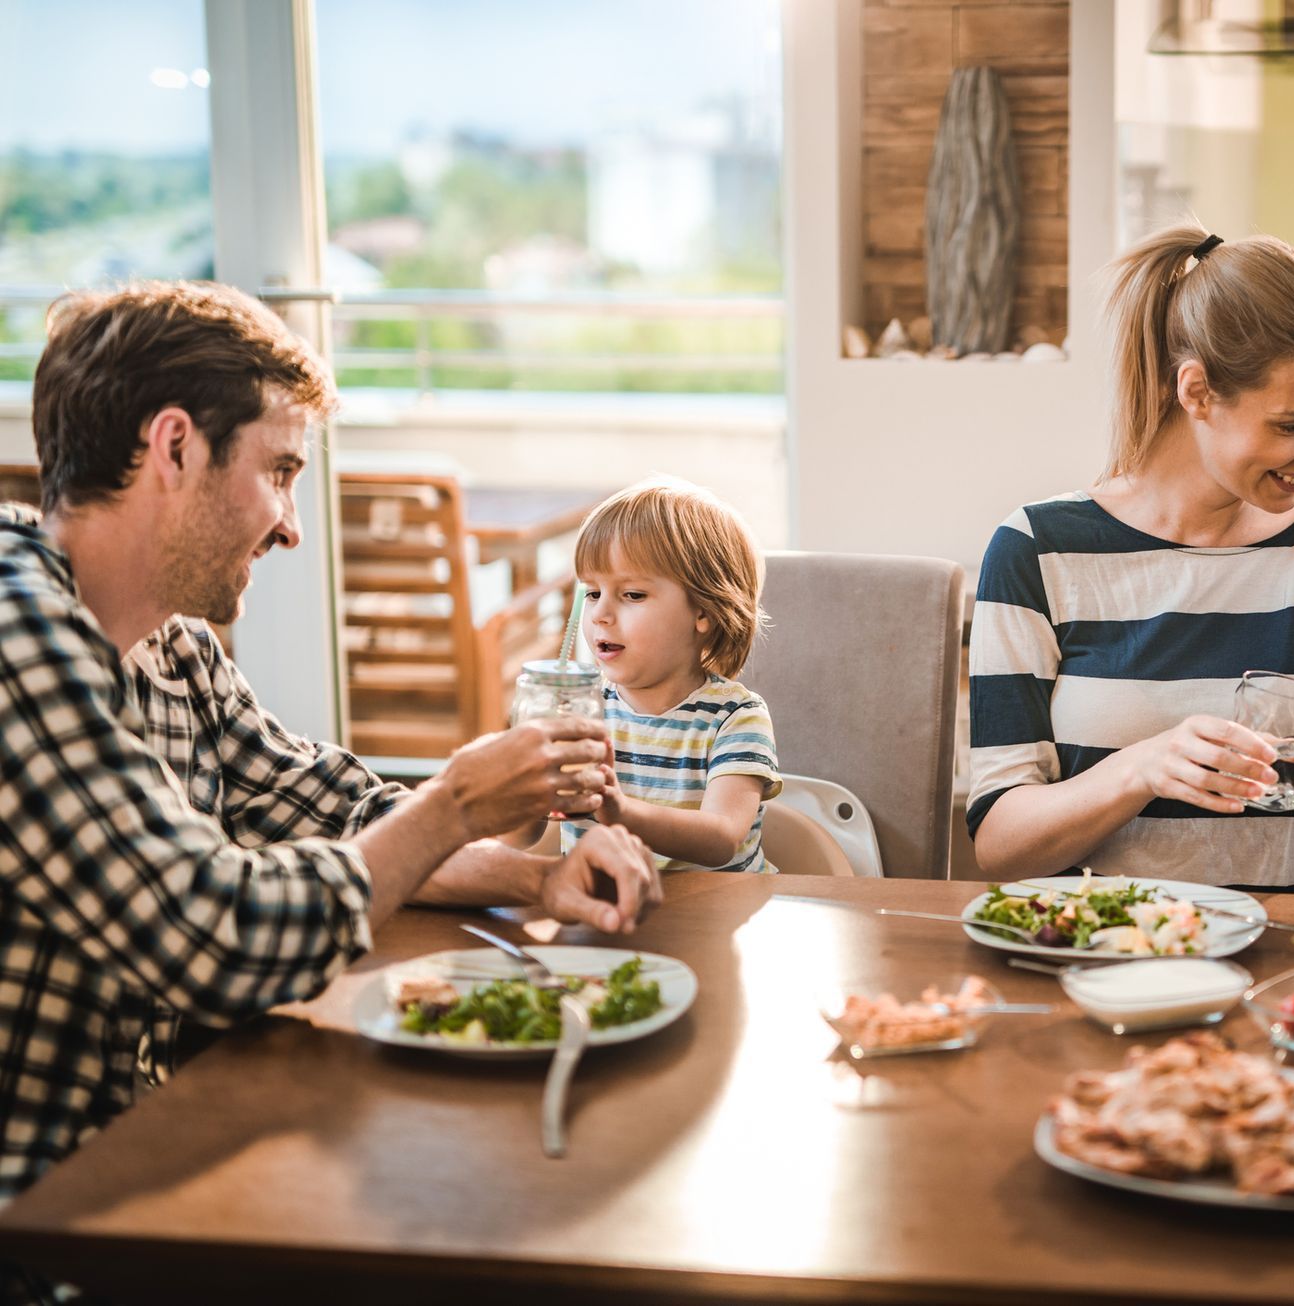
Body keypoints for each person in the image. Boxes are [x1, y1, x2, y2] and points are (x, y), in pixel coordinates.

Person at [0, 282, 661, 1226]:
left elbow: (340, 811)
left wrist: (529, 878)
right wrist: (457, 804)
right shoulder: (16, 634)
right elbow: (214, 935)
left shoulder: (171, 647)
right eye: (279, 471)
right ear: (174, 447)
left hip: (158, 1148)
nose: (291, 524)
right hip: (48, 1218)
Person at [966, 224, 1294, 894]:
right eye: (1293, 425)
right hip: (1096, 953)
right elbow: (1001, 845)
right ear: (1198, 391)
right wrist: (1142, 768)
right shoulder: (1038, 550)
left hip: (1286, 966)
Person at [543, 478, 783, 874]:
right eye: (592, 593)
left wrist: (618, 810)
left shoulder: (735, 718)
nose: (601, 614)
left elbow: (721, 838)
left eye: (632, 595)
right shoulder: (584, 712)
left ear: (703, 611)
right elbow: (543, 839)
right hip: (607, 920)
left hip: (713, 923)